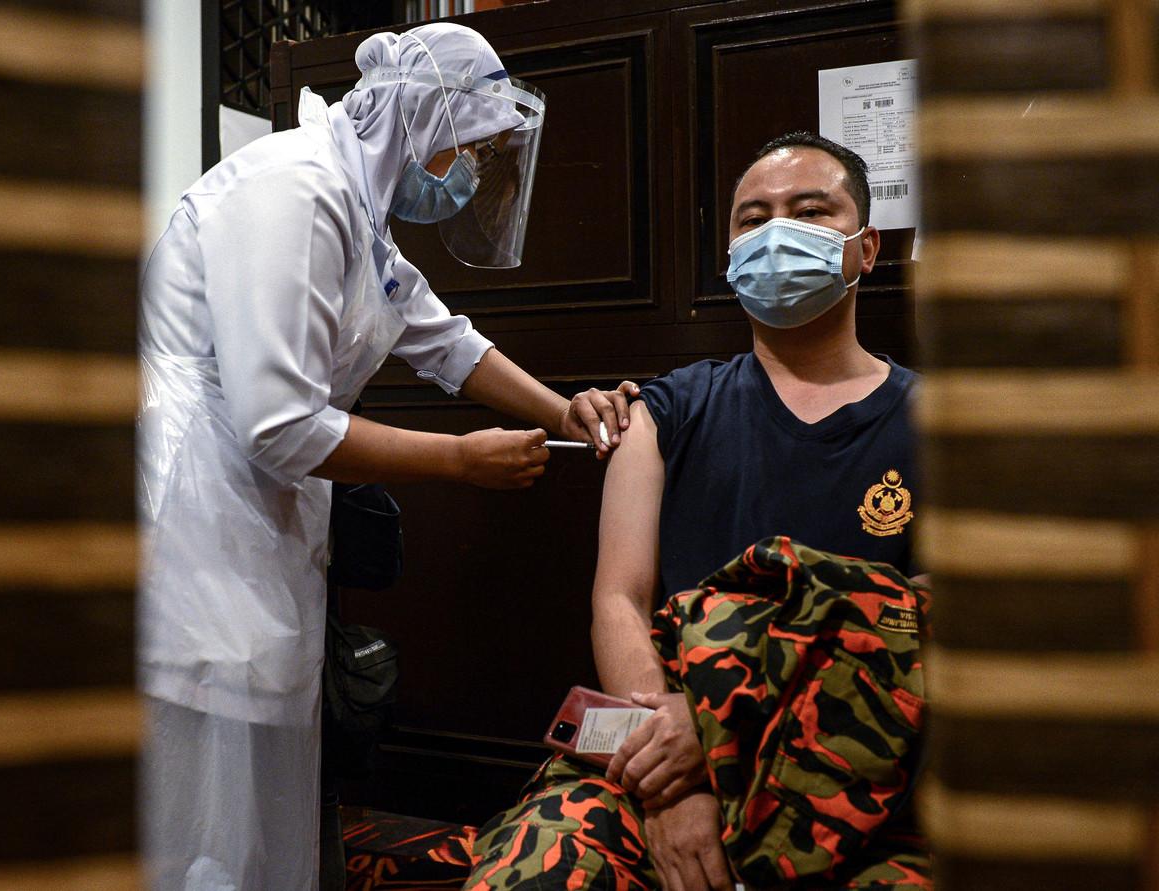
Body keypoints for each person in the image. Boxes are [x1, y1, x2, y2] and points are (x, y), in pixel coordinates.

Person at [137, 23, 637, 891]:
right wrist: (460, 461)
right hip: (194, 521)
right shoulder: (294, 191)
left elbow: (443, 339)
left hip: (253, 524)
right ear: (421, 115)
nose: (471, 172)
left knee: (254, 809)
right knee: (194, 807)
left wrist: (563, 408)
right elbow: (278, 424)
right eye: (471, 148)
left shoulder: (358, 211)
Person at [466, 131, 929, 890]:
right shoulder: (667, 410)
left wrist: (716, 722)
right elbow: (619, 600)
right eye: (754, 219)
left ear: (867, 247)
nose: (778, 232)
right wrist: (672, 785)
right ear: (732, 256)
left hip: (849, 760)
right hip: (657, 743)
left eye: (811, 211)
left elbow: (922, 628)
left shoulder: (939, 424)